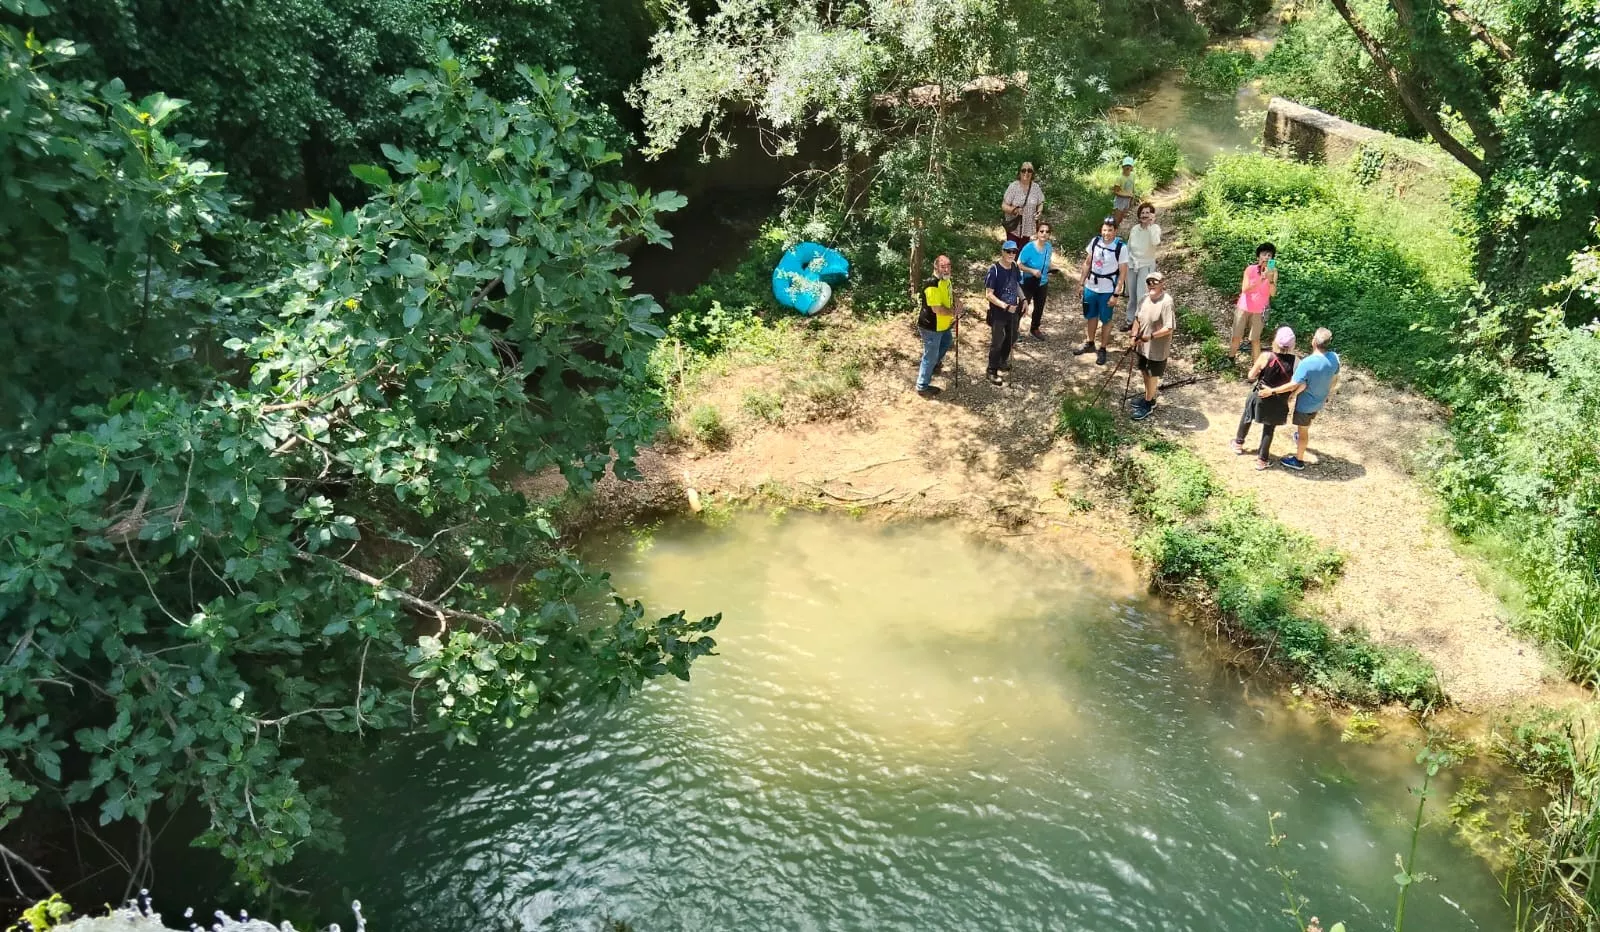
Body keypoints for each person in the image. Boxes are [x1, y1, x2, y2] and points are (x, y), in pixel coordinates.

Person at [1231, 326, 1298, 469]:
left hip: (1260, 395)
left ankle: (1238, 444)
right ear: (1293, 344)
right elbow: (1294, 384)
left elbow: (1250, 376)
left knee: (1247, 416)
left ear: (1275, 341)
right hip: (1279, 399)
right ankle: (1262, 460)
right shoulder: (1297, 361)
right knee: (1269, 428)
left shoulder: (1266, 356)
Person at [1280, 327, 1342, 470]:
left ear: (1314, 341)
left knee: (1303, 432)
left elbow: (1294, 384)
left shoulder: (1307, 363)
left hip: (1305, 404)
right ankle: (1301, 438)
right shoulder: (1334, 358)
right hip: (1320, 400)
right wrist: (1328, 393)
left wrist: (1276, 392)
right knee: (1307, 423)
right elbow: (1334, 378)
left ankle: (1298, 460)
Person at [1075, 217, 1128, 367]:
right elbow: (1087, 263)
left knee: (1106, 319)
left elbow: (1123, 273)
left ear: (1115, 231)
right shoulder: (1095, 242)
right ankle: (1090, 342)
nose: (1107, 233)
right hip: (1091, 286)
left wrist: (1116, 294)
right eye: (1104, 230)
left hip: (1107, 289)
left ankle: (1103, 348)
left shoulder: (1121, 247)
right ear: (1101, 230)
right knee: (1090, 315)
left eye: (1110, 230)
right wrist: (1081, 283)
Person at [1129, 271, 1176, 421]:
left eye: (1155, 282)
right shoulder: (1144, 298)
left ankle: (1149, 403)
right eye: (1149, 282)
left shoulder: (1166, 302)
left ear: (1162, 284)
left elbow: (1169, 327)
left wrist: (1150, 336)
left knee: (1152, 374)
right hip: (1142, 346)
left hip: (1157, 349)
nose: (1151, 285)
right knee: (1144, 371)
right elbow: (1137, 318)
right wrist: (1133, 335)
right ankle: (1148, 397)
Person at [914, 254, 956, 398]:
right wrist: (953, 311)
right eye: (943, 266)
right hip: (931, 326)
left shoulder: (946, 281)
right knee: (930, 355)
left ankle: (935, 365)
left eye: (948, 266)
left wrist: (957, 302)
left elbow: (950, 296)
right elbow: (937, 309)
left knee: (946, 342)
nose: (946, 269)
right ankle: (922, 386)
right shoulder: (931, 284)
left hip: (943, 325)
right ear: (936, 268)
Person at [983, 240, 1024, 385]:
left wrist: (1023, 299)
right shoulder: (993, 269)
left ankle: (1002, 360)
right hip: (998, 312)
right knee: (997, 342)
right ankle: (991, 370)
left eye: (1014, 252)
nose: (1011, 254)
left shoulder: (1014, 267)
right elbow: (989, 294)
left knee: (1012, 336)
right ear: (1002, 251)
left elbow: (1016, 284)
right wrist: (1004, 306)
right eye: (1009, 251)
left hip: (1013, 310)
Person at [1120, 202, 1162, 332]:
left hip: (1146, 265)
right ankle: (1130, 320)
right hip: (1133, 264)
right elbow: (1129, 246)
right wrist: (1126, 261)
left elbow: (1156, 242)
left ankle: (1141, 323)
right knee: (1132, 295)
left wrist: (1150, 226)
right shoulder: (1135, 229)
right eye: (1142, 213)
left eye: (1147, 213)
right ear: (1139, 215)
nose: (1144, 215)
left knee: (1141, 295)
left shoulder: (1155, 228)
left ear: (1152, 215)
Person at [1232, 242, 1278, 361]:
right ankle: (1230, 358)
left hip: (1261, 309)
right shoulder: (1250, 269)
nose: (1267, 257)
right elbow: (1245, 289)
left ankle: (1256, 368)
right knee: (1236, 336)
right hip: (1244, 307)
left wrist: (1271, 280)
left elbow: (1273, 293)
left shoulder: (1273, 272)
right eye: (1264, 254)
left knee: (1255, 339)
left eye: (1269, 255)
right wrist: (1261, 278)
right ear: (1258, 257)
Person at [1018, 222, 1054, 340]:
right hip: (1028, 281)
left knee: (1039, 307)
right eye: (1041, 231)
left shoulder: (1049, 247)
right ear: (1037, 233)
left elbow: (1047, 262)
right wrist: (1032, 271)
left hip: (1042, 282)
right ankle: (1013, 330)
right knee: (1023, 306)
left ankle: (1035, 328)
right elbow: (1019, 264)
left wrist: (1051, 269)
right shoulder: (1029, 248)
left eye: (1047, 231)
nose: (1044, 234)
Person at [1002, 163, 1044, 242]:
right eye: (1023, 170)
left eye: (1029, 171)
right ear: (1019, 172)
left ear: (1032, 173)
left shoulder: (1036, 188)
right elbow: (1004, 205)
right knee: (1012, 252)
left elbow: (1040, 202)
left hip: (1028, 229)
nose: (1026, 173)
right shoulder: (1013, 187)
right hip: (1014, 227)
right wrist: (1015, 210)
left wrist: (1039, 212)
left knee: (1023, 252)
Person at [1111, 156, 1138, 228]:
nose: (1127, 168)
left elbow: (1133, 187)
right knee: (1117, 217)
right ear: (1122, 167)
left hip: (1128, 199)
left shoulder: (1132, 175)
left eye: (1129, 166)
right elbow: (1115, 191)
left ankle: (1115, 231)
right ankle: (1112, 231)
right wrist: (1126, 195)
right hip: (1120, 200)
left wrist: (1132, 197)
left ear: (1132, 167)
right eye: (1126, 166)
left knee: (1122, 217)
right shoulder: (1119, 178)